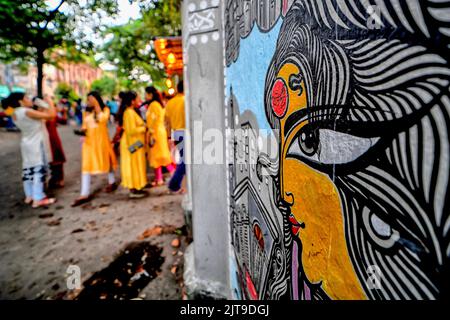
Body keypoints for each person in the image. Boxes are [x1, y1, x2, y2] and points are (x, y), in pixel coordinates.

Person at [5, 92, 56, 208]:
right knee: (38, 169)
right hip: (36, 143)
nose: (29, 99)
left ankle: (30, 195)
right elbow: (51, 115)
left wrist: (41, 106)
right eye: (26, 98)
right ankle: (38, 198)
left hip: (26, 143)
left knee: (28, 169)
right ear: (20, 101)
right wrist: (49, 102)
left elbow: (38, 119)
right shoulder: (27, 111)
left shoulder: (15, 113)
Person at [72, 91, 118, 207]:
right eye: (88, 100)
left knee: (107, 161)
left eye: (91, 99)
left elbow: (103, 120)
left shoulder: (105, 109)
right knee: (86, 166)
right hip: (89, 142)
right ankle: (84, 193)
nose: (89, 102)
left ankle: (112, 182)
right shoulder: (86, 111)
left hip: (102, 141)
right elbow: (84, 125)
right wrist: (81, 132)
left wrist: (97, 106)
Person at [119, 91, 148, 198]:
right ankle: (134, 189)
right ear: (132, 101)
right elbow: (131, 130)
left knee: (136, 164)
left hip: (135, 142)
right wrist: (144, 128)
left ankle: (138, 186)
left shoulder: (130, 111)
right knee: (133, 165)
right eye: (137, 99)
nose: (139, 101)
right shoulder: (129, 113)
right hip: (131, 143)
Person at [145, 86, 175, 186]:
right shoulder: (157, 104)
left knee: (162, 157)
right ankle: (159, 179)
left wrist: (150, 133)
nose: (145, 96)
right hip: (159, 132)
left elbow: (152, 121)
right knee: (157, 158)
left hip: (156, 134)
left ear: (151, 94)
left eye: (146, 94)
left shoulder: (153, 105)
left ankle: (175, 176)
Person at [36, 97, 66, 189]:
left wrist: (64, 112)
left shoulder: (51, 115)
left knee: (57, 159)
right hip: (44, 140)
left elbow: (63, 121)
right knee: (47, 161)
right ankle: (48, 180)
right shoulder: (39, 115)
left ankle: (58, 179)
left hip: (54, 139)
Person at [165, 81, 186, 194]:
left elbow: (166, 122)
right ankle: (173, 184)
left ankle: (177, 184)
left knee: (185, 159)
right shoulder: (186, 100)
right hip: (187, 132)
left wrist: (169, 136)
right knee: (186, 161)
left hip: (177, 133)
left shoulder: (170, 103)